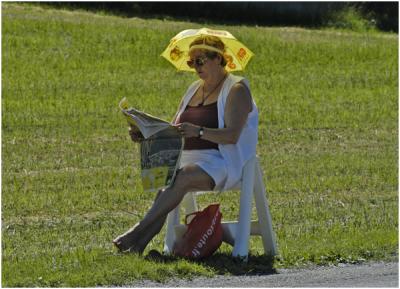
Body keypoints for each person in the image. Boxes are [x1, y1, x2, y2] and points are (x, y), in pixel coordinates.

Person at [113, 35, 258, 254]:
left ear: (218, 58)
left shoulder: (236, 90)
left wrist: (198, 131)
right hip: (189, 160)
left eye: (200, 61)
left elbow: (231, 136)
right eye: (192, 63)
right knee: (168, 182)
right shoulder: (193, 89)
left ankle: (136, 232)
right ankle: (138, 247)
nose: (195, 67)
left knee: (180, 177)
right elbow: (174, 129)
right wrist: (145, 134)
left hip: (225, 162)